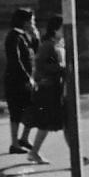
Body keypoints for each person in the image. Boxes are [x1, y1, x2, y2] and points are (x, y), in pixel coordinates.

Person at [24, 15, 69, 165]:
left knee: (61, 123)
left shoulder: (59, 44)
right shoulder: (48, 45)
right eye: (62, 28)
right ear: (55, 29)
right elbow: (40, 65)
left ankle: (34, 152)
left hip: (57, 87)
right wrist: (60, 68)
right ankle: (34, 152)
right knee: (49, 123)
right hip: (48, 89)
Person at [3, 9, 38, 154]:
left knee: (33, 108)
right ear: (24, 22)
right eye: (31, 21)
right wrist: (27, 77)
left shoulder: (25, 36)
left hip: (26, 79)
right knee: (16, 111)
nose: (33, 24)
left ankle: (24, 138)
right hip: (16, 81)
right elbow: (15, 60)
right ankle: (14, 143)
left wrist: (36, 36)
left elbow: (36, 52)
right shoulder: (14, 37)